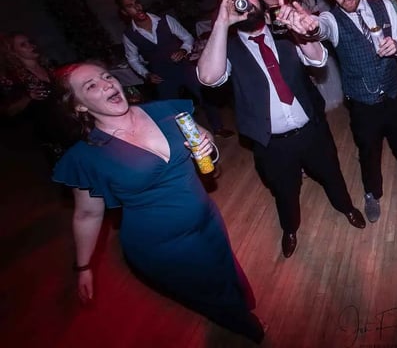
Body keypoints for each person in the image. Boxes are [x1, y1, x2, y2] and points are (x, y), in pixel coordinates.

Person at [51, 62, 265, 342]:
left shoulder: (165, 111)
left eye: (107, 76)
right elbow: (87, 215)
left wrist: (207, 146)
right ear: (78, 106)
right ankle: (243, 325)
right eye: (91, 85)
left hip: (208, 218)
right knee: (208, 290)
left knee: (225, 267)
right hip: (162, 246)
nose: (107, 84)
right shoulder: (87, 156)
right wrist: (84, 267)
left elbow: (205, 137)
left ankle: (239, 308)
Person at [196, 0, 365, 258]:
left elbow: (319, 60)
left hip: (311, 129)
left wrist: (301, 31)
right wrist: (222, 23)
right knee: (284, 192)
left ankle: (346, 207)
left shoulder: (285, 30)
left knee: (331, 174)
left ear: (260, 0)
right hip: (271, 143)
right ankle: (290, 228)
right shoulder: (227, 47)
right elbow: (209, 78)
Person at [283, 0, 397, 223]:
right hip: (363, 103)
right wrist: (311, 27)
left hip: (394, 95)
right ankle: (372, 193)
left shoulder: (383, 5)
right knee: (368, 153)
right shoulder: (332, 18)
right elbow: (321, 27)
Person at [116, 0, 233, 138]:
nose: (137, 7)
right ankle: (189, 137)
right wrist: (146, 74)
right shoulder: (129, 35)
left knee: (206, 94)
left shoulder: (165, 20)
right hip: (161, 75)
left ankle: (218, 127)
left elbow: (187, 38)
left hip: (183, 67)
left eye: (137, 2)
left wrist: (183, 50)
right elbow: (132, 59)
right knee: (172, 109)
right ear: (125, 12)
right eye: (130, 6)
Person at [278, 0, 344, 111]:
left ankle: (335, 97)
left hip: (317, 29)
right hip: (306, 34)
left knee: (328, 63)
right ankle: (327, 100)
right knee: (318, 67)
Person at [0, 32, 75, 162]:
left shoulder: (49, 66)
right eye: (24, 45)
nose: (31, 45)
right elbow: (8, 111)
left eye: (30, 41)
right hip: (52, 133)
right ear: (13, 52)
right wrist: (29, 97)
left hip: (72, 124)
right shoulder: (13, 79)